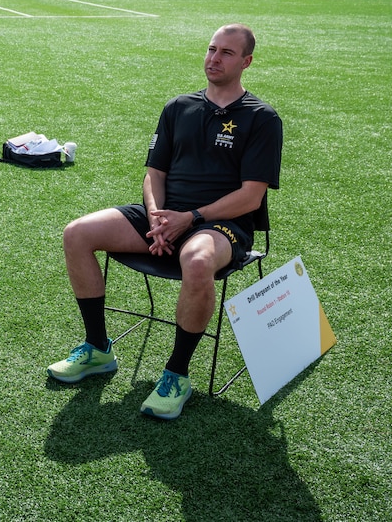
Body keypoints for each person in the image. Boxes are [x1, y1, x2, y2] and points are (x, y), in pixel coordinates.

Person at [50, 24, 282, 420]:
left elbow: (251, 196)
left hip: (221, 225)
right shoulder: (179, 107)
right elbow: (153, 174)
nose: (214, 58)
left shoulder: (262, 118)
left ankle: (176, 374)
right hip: (166, 215)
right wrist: (158, 217)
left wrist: (189, 218)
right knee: (78, 233)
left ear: (246, 62)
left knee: (195, 261)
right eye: (211, 49)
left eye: (227, 52)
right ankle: (97, 349)